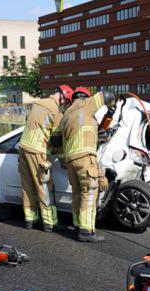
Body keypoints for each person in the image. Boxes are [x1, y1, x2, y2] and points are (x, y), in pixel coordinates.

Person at [61, 87, 116, 243]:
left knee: (77, 193)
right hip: (85, 156)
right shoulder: (86, 104)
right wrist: (113, 106)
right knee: (89, 194)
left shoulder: (66, 115)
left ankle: (78, 225)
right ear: (85, 96)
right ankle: (86, 231)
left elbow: (59, 141)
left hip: (71, 160)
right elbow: (107, 95)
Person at [18, 85, 74, 232]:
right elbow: (56, 141)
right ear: (62, 97)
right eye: (65, 102)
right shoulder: (55, 112)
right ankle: (50, 222)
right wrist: (63, 160)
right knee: (44, 187)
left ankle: (30, 220)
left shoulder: (37, 103)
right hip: (38, 151)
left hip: (23, 148)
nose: (64, 105)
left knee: (27, 185)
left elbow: (27, 122)